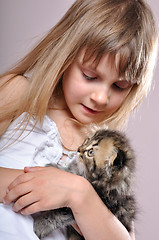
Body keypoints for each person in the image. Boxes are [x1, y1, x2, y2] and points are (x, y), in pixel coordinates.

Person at [0, 0, 158, 239]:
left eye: (119, 86)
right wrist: (53, 189)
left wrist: (79, 194)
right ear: (66, 54)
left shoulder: (104, 153)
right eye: (89, 76)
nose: (101, 97)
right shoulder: (20, 94)